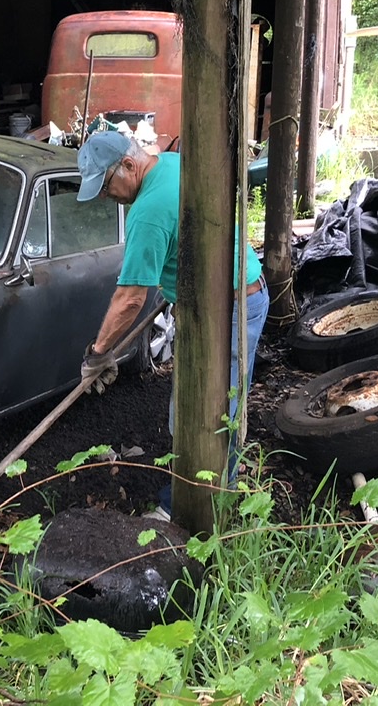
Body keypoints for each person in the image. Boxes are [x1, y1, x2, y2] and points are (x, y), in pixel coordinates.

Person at [75, 130, 269, 489]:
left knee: (208, 415)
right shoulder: (170, 164)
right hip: (235, 294)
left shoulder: (147, 212)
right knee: (208, 406)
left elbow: (130, 299)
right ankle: (213, 486)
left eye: (105, 185)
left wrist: (98, 353)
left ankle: (202, 501)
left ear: (128, 165)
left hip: (228, 311)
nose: (104, 196)